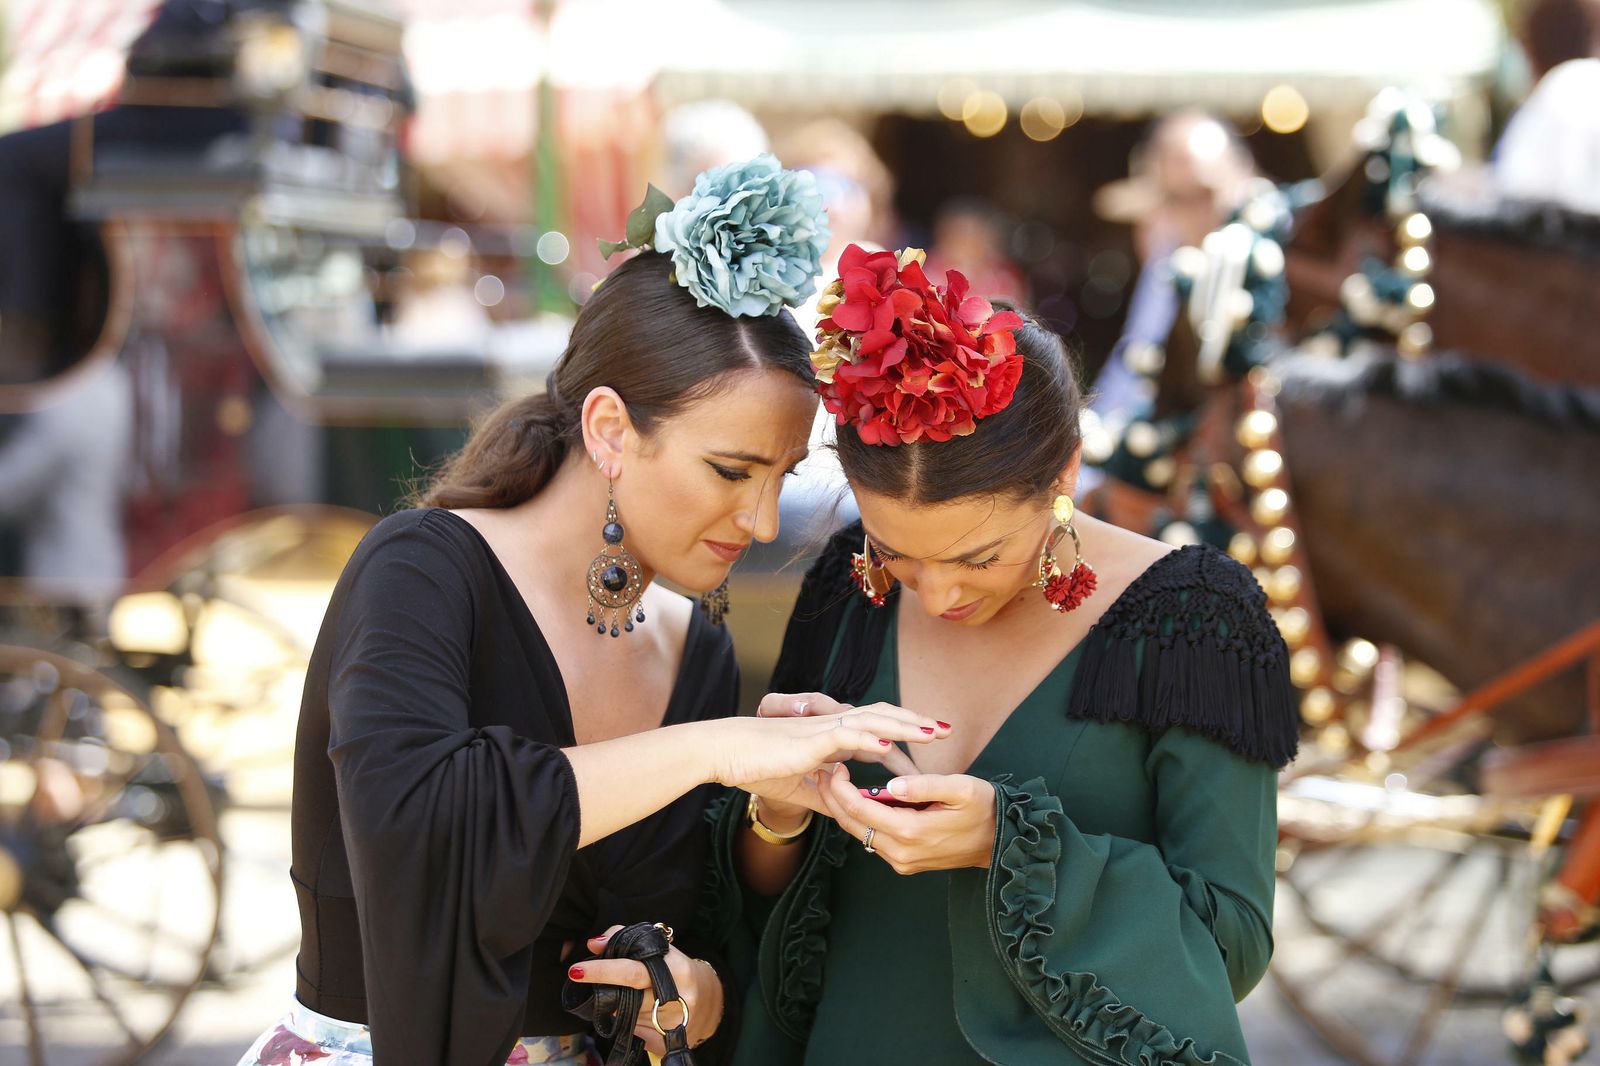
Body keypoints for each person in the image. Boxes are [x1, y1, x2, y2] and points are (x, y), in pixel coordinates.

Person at [236, 160, 948, 1066]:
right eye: (732, 472)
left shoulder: (698, 648)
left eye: (781, 480)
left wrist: (700, 982)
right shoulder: (421, 569)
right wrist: (712, 749)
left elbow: (698, 936)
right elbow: (417, 826)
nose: (762, 522)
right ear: (611, 429)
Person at [702, 245, 1299, 1065]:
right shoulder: (849, 591)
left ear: (1065, 474)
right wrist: (775, 812)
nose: (939, 596)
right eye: (898, 554)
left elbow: (1231, 945)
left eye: (979, 557)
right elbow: (772, 918)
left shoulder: (1197, 621)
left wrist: (1011, 847)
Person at [1088, 111, 1257, 428]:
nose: (1184, 215)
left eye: (1201, 198)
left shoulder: (1267, 258)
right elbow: (1130, 372)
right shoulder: (1166, 265)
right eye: (1172, 200)